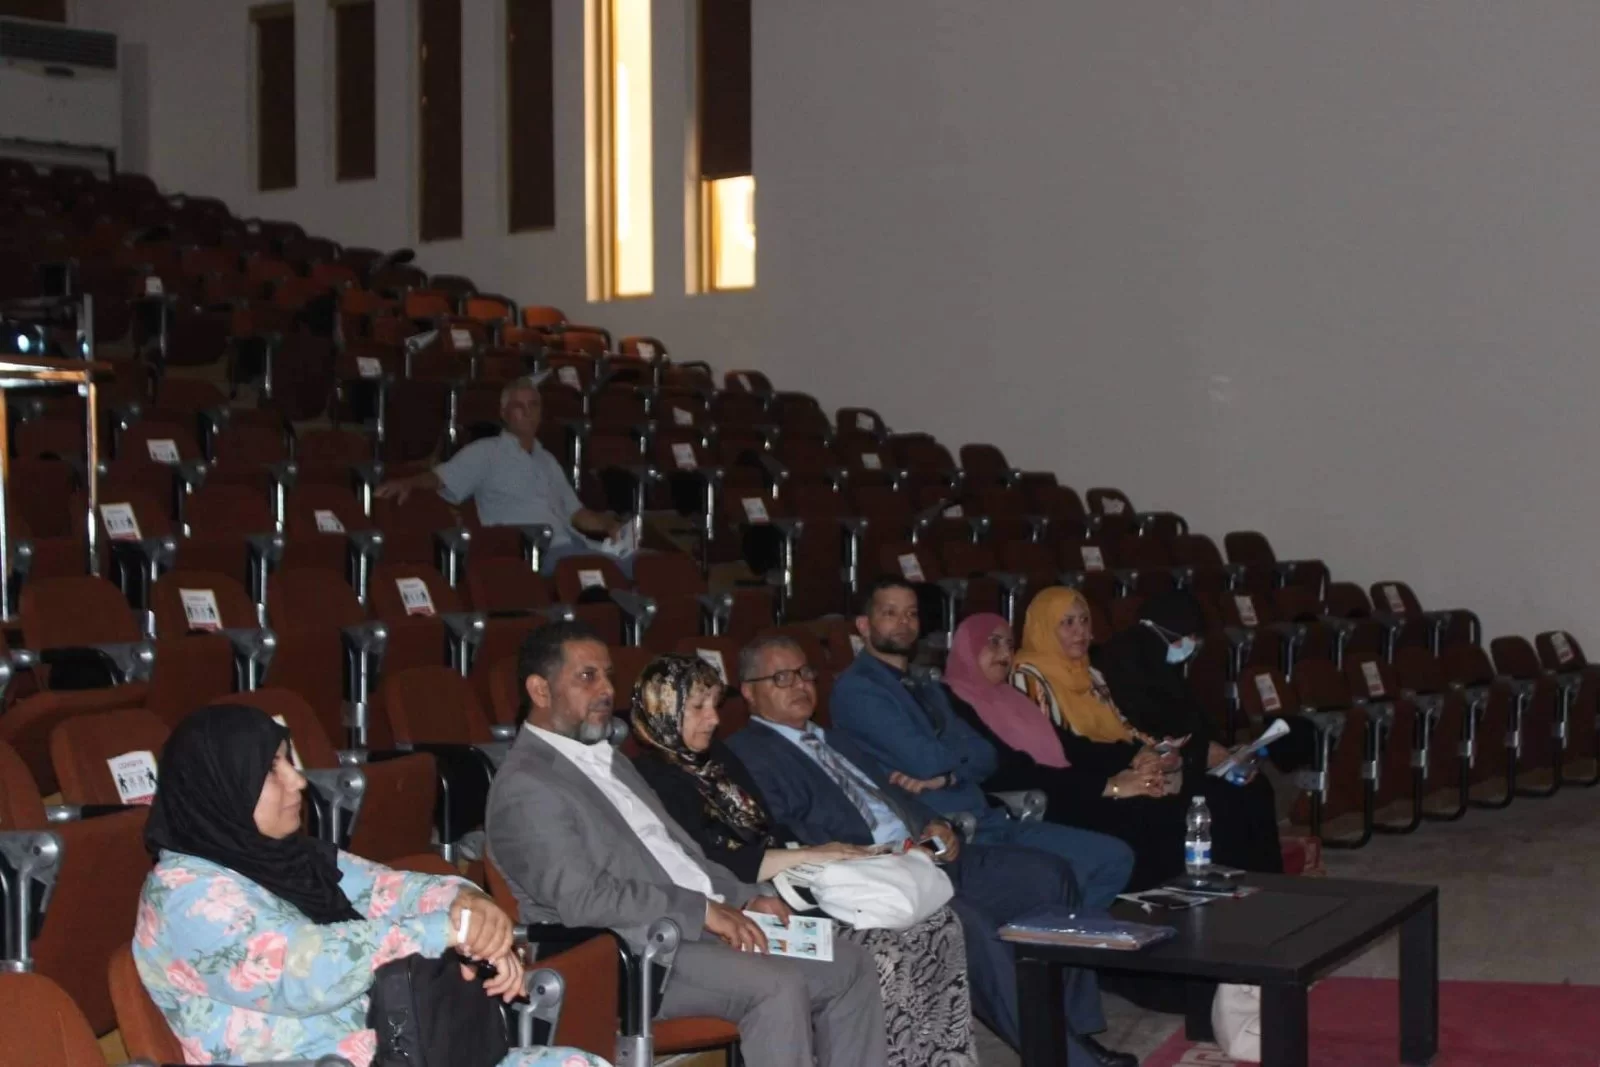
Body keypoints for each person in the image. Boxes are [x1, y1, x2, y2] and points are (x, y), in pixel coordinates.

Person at [486, 621, 888, 1067]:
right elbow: (583, 900)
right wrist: (701, 910)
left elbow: (681, 859)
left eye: (608, 676)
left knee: (850, 965)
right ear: (540, 690)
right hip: (633, 951)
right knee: (778, 985)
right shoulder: (527, 784)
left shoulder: (610, 760)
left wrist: (745, 897)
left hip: (693, 925)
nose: (606, 690)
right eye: (587, 677)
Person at [726, 634, 1138, 1067]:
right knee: (969, 928)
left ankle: (1074, 1030)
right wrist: (883, 853)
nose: (799, 685)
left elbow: (889, 795)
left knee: (1051, 876)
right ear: (749, 692)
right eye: (782, 677)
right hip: (878, 874)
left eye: (805, 673)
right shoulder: (749, 755)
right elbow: (790, 833)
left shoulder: (832, 739)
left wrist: (934, 823)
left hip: (928, 853)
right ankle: (1069, 1060)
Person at [132, 703, 604, 1067]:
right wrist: (448, 930)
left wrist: (474, 910)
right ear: (222, 787)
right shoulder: (182, 896)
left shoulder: (294, 859)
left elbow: (394, 889)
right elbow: (305, 970)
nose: (298, 781)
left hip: (400, 1049)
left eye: (290, 761)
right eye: (272, 769)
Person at [628, 654, 978, 1067]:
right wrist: (814, 854)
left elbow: (767, 828)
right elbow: (709, 864)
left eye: (714, 706)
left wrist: (827, 856)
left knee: (938, 924)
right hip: (742, 901)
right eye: (698, 708)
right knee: (886, 949)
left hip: (788, 880)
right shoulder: (651, 778)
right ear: (663, 709)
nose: (714, 719)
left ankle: (941, 1061)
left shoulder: (716, 757)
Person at [828, 577, 1135, 910]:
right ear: (864, 625)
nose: (904, 622)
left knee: (1114, 857)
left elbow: (987, 755)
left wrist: (948, 775)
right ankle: (1053, 936)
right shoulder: (859, 689)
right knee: (1056, 875)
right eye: (891, 613)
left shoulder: (925, 684)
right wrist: (949, 767)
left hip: (988, 818)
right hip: (944, 829)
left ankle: (1060, 937)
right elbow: (926, 761)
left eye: (911, 613)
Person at [1013, 586, 1283, 875]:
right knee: (1187, 807)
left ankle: (1255, 883)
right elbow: (1054, 749)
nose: (1080, 631)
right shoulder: (1028, 677)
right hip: (1084, 781)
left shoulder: (1090, 673)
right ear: (1044, 628)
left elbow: (1125, 726)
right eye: (1067, 623)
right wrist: (1132, 764)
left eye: (1084, 620)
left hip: (1124, 766)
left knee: (1237, 793)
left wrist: (1160, 750)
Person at [945, 611, 1189, 889]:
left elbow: (1071, 747)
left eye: (1010, 644)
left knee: (1161, 804)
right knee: (1138, 815)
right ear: (968, 647)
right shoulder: (953, 703)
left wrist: (1136, 757)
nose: (1005, 653)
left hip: (1060, 787)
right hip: (1024, 803)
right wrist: (1110, 786)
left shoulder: (1012, 699)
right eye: (993, 642)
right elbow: (1011, 770)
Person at [373, 375, 632, 575]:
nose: (528, 412)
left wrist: (607, 524)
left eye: (534, 405)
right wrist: (409, 482)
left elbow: (577, 514)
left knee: (645, 563)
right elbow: (442, 477)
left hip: (579, 546)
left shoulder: (547, 459)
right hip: (537, 554)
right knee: (621, 572)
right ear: (504, 413)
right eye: (519, 406)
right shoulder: (487, 452)